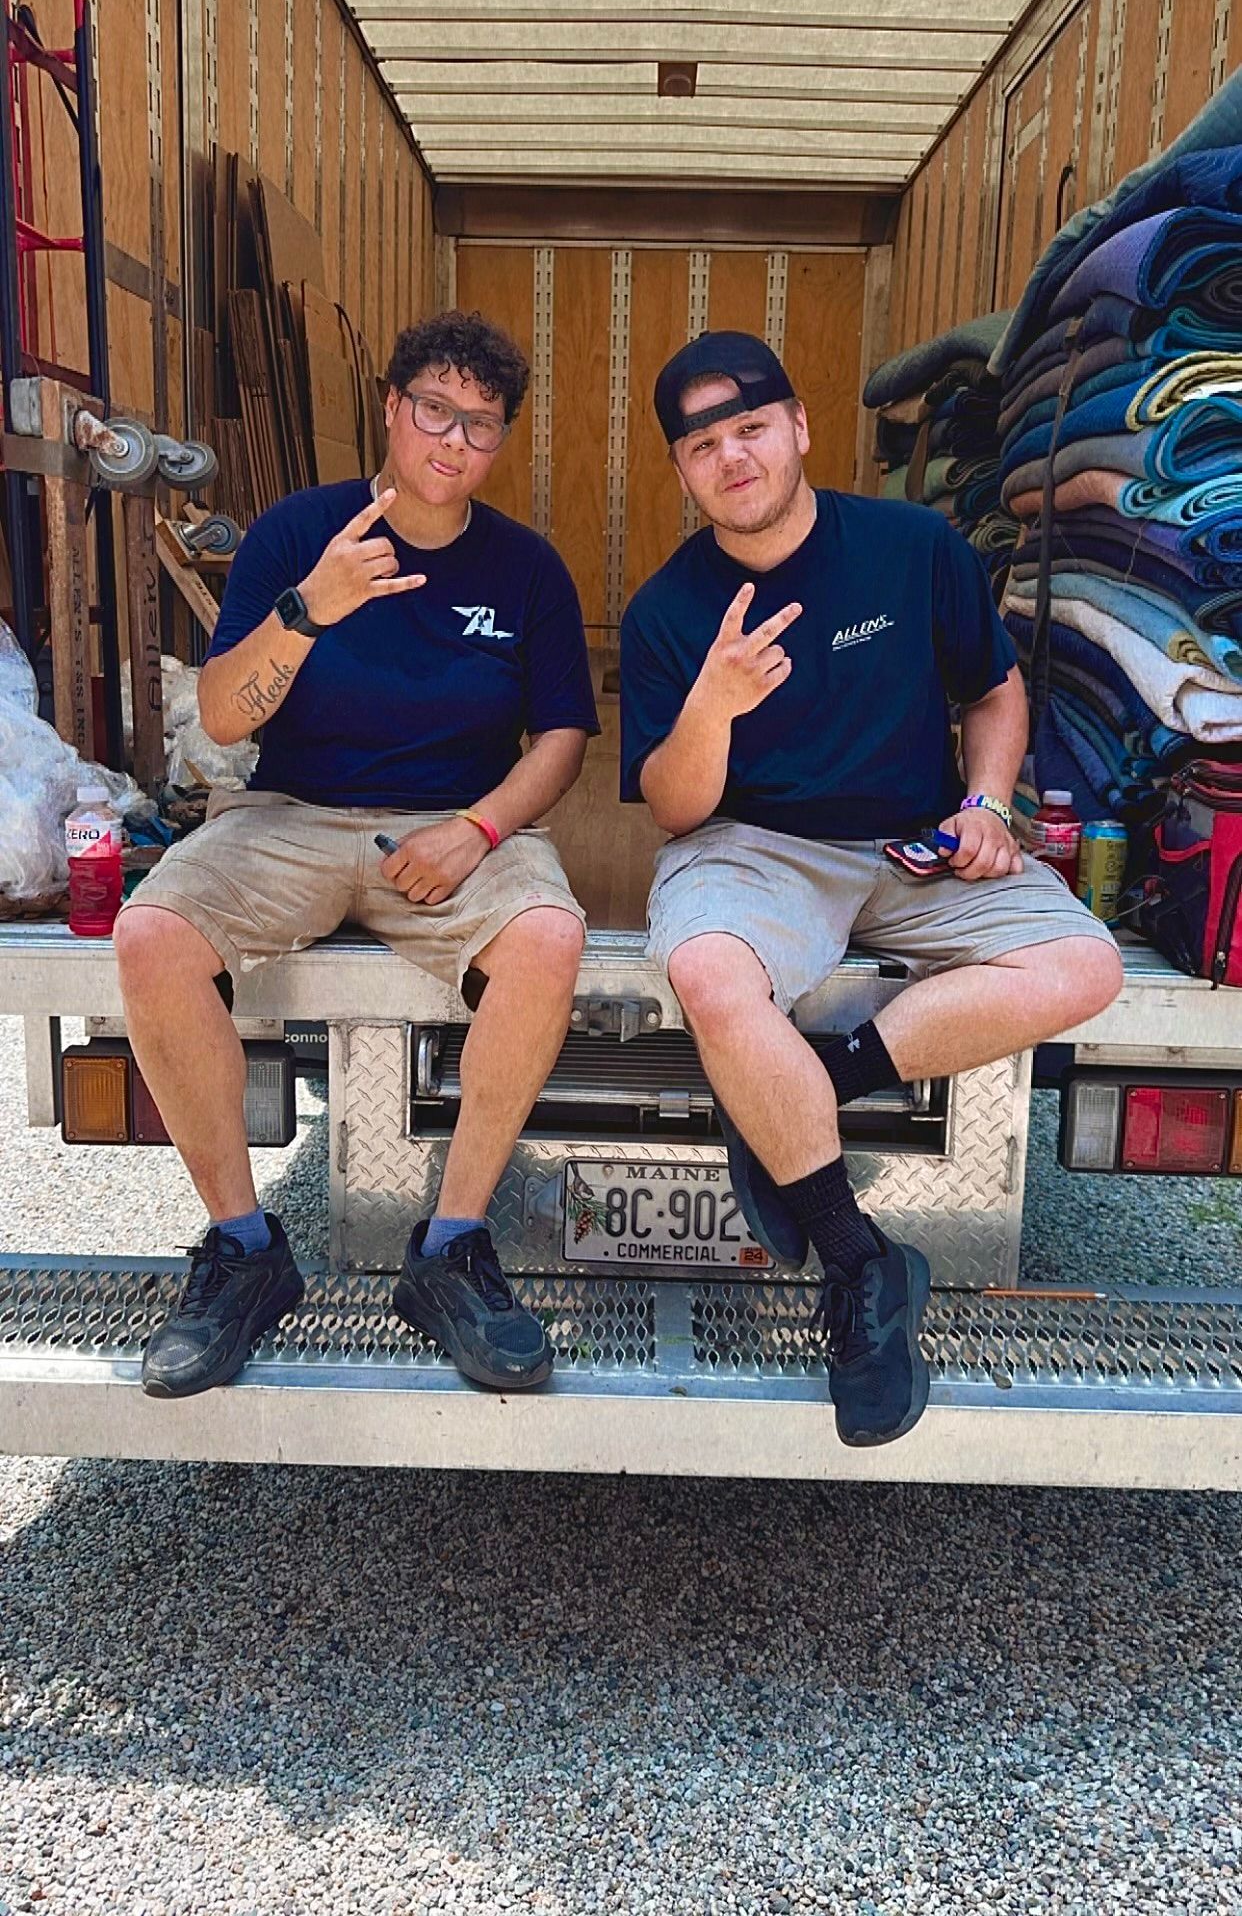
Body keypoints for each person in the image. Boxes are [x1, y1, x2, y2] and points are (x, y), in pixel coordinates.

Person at [620, 330, 1123, 1448]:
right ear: (683, 471)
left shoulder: (911, 546)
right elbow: (673, 808)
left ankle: (808, 1090)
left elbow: (991, 688)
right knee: (707, 970)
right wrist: (714, 702)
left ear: (799, 428)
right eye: (702, 445)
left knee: (1085, 964)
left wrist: (988, 806)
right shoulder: (667, 610)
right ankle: (861, 1267)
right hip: (758, 845)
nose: (732, 457)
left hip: (914, 841)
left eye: (750, 428)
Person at [116, 309, 598, 1400]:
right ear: (391, 407)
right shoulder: (298, 537)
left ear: (502, 440)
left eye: (481, 424)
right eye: (434, 410)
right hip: (289, 812)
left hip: (453, 823)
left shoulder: (526, 571)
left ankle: (452, 1249)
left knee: (550, 938)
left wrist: (480, 828)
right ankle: (243, 1251)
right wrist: (308, 609)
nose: (453, 441)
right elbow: (227, 723)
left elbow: (563, 738)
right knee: (149, 935)